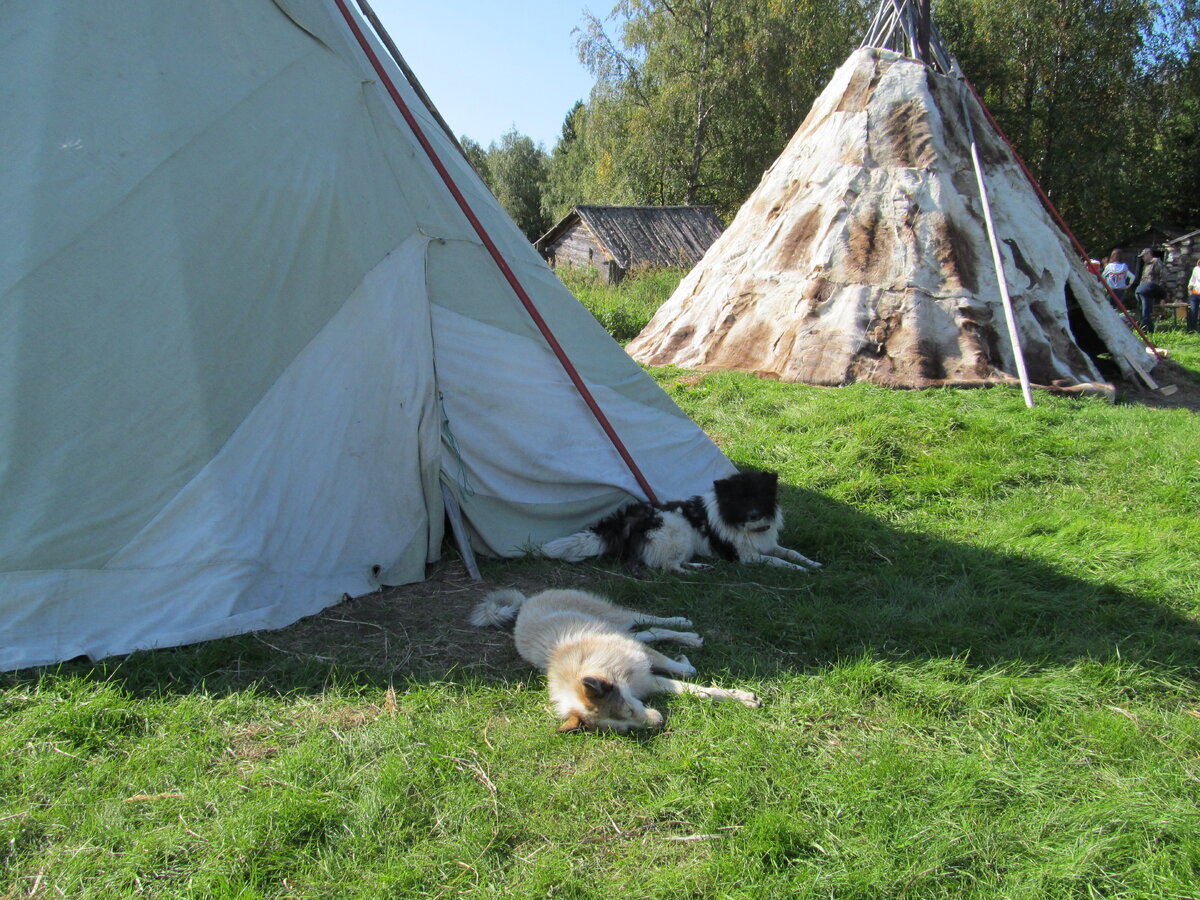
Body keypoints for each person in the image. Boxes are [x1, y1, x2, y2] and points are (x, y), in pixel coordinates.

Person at [1134, 248, 1165, 332]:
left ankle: (1146, 329)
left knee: (1147, 310)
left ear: (1148, 254)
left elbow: (1162, 276)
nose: (1142, 258)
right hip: (1143, 289)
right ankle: (1146, 326)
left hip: (1151, 290)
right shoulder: (1146, 264)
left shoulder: (1156, 262)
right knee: (1142, 309)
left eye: (1143, 256)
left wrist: (1161, 292)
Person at [1188, 256, 1200, 334]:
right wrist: (1189, 289)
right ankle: (1192, 329)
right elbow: (1192, 280)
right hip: (1195, 293)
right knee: (1193, 311)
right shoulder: (1196, 269)